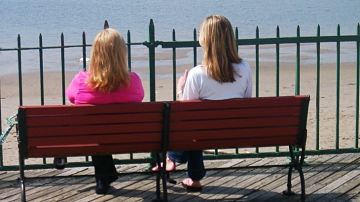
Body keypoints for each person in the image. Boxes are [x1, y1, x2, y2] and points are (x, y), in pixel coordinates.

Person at [154, 15, 253, 192]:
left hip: (203, 133)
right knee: (197, 125)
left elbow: (185, 114)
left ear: (205, 39)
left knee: (189, 124)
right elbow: (247, 100)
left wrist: (180, 89)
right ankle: (193, 178)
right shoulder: (245, 68)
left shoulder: (196, 74)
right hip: (235, 132)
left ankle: (171, 158)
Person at [65, 28, 144, 194]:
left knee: (94, 127)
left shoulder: (81, 81)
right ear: (122, 54)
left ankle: (103, 177)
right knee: (101, 127)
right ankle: (105, 176)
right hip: (126, 137)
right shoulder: (134, 81)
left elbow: (72, 99)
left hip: (92, 136)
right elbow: (139, 98)